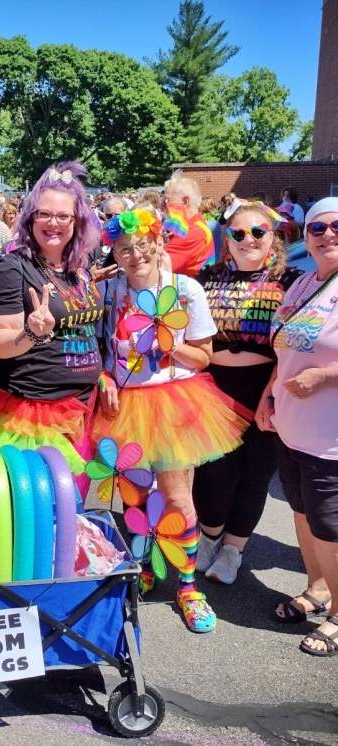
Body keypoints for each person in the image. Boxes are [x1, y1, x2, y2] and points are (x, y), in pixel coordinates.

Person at [93, 208, 248, 633]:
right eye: (125, 249)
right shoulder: (111, 293)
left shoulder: (185, 290)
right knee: (135, 497)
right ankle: (144, 566)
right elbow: (102, 352)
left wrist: (170, 342)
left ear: (158, 243)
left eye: (143, 245)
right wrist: (105, 376)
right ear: (116, 254)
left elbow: (203, 356)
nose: (135, 255)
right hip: (125, 407)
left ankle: (187, 585)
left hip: (174, 402)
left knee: (177, 499)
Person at [0, 162, 103, 475]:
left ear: (77, 221)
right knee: (39, 515)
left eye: (63, 216)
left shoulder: (76, 267)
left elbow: (83, 327)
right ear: (31, 218)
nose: (53, 223)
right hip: (32, 418)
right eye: (44, 214)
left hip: (80, 409)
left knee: (70, 513)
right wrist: (31, 332)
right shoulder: (12, 268)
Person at [193, 201, 302, 584]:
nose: (248, 239)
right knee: (212, 473)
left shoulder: (291, 282)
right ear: (227, 240)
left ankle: (234, 549)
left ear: (272, 238)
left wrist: (272, 393)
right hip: (213, 389)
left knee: (255, 475)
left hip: (265, 389)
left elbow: (295, 344)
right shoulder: (208, 278)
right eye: (238, 233)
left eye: (258, 232)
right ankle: (209, 537)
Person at [256, 197, 338, 656]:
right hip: (292, 427)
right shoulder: (304, 282)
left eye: (336, 226)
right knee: (303, 515)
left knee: (331, 527)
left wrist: (327, 376)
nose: (327, 234)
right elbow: (284, 347)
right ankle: (318, 588)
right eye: (316, 228)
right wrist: (270, 392)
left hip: (331, 438)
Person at [163, 174, 214, 277]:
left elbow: (156, 268)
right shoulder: (189, 227)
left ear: (185, 202)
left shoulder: (193, 232)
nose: (162, 205)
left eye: (167, 200)